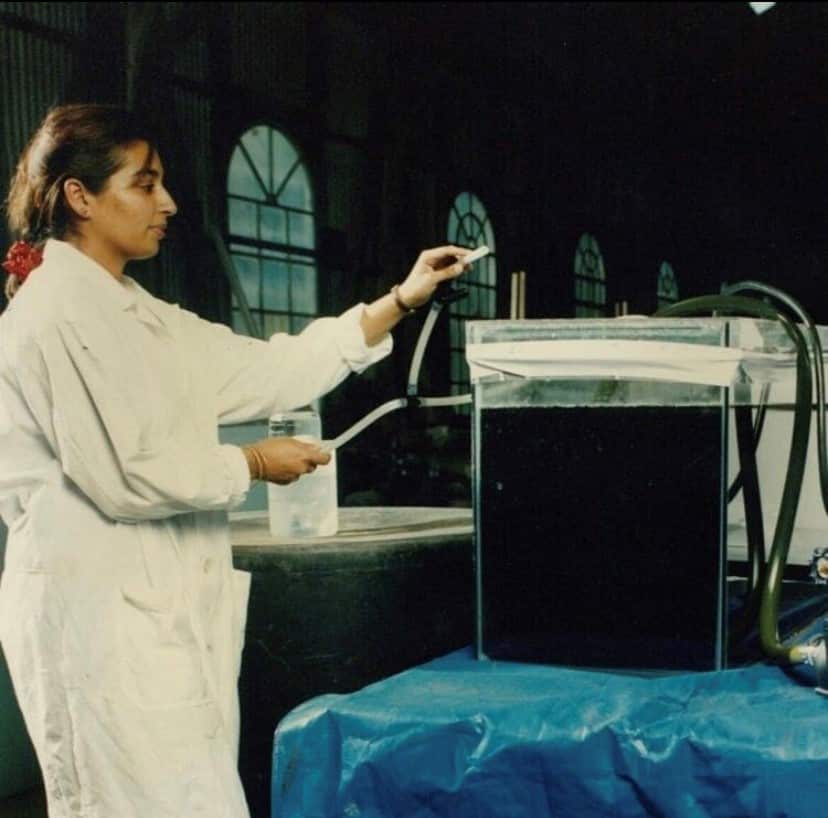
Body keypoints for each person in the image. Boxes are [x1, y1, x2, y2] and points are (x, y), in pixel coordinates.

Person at [0, 103, 472, 818]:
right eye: (145, 184)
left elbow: (269, 369)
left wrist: (401, 301)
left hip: (156, 615)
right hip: (98, 622)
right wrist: (252, 462)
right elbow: (126, 473)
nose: (169, 203)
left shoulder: (140, 316)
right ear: (79, 196)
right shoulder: (56, 310)